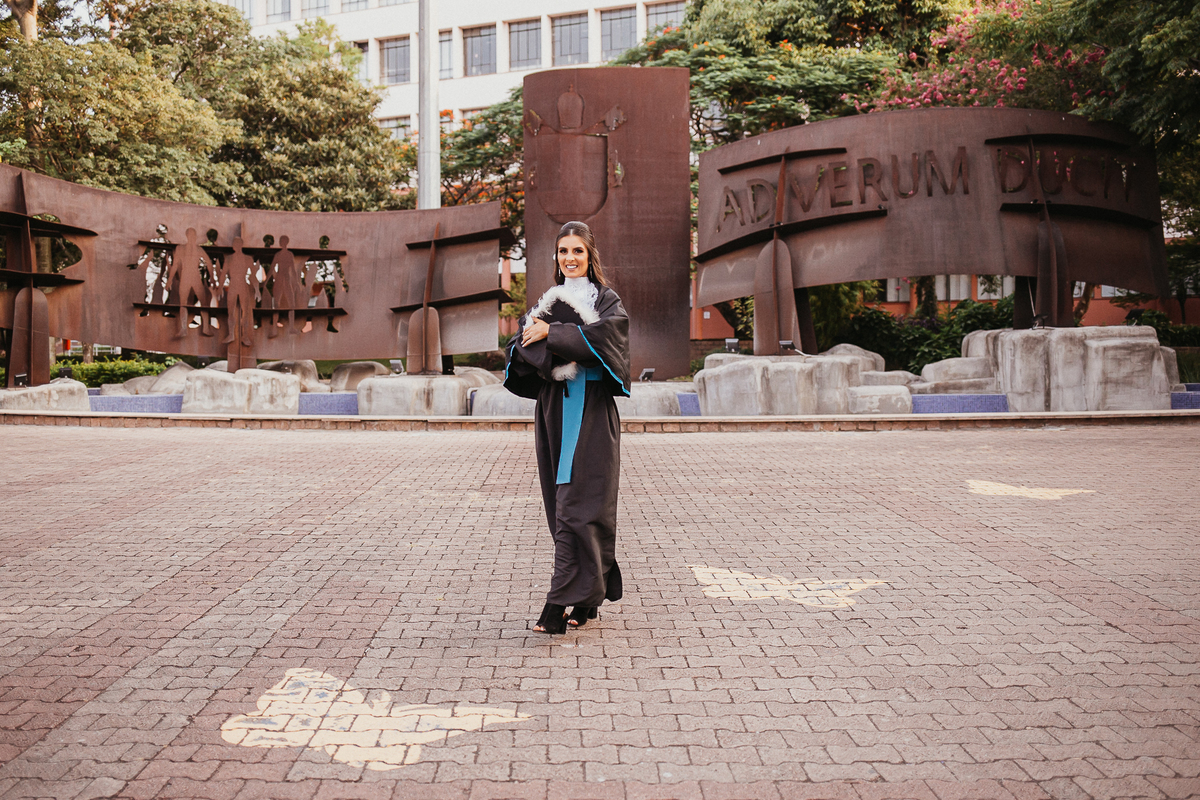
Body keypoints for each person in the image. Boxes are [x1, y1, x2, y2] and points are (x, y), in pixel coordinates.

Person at [504, 221, 631, 635]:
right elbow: (520, 350)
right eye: (563, 251)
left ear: (589, 255)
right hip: (554, 411)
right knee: (560, 506)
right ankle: (587, 598)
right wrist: (539, 336)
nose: (570, 258)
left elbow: (609, 340)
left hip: (591, 410)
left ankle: (557, 604)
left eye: (578, 250)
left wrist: (554, 333)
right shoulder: (546, 301)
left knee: (579, 506)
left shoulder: (606, 300)